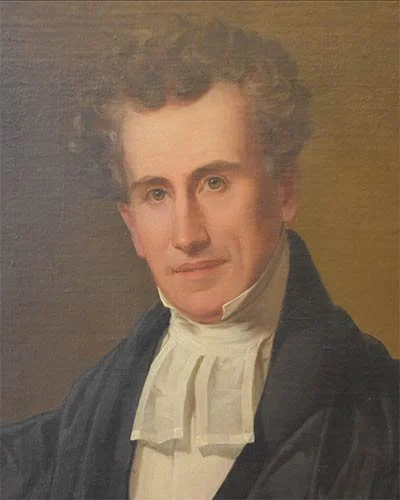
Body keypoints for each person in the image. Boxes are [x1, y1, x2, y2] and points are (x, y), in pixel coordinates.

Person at [1, 17, 398, 500]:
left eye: (215, 183)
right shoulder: (83, 421)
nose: (188, 236)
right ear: (132, 225)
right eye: (156, 194)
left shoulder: (380, 414)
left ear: (285, 191)